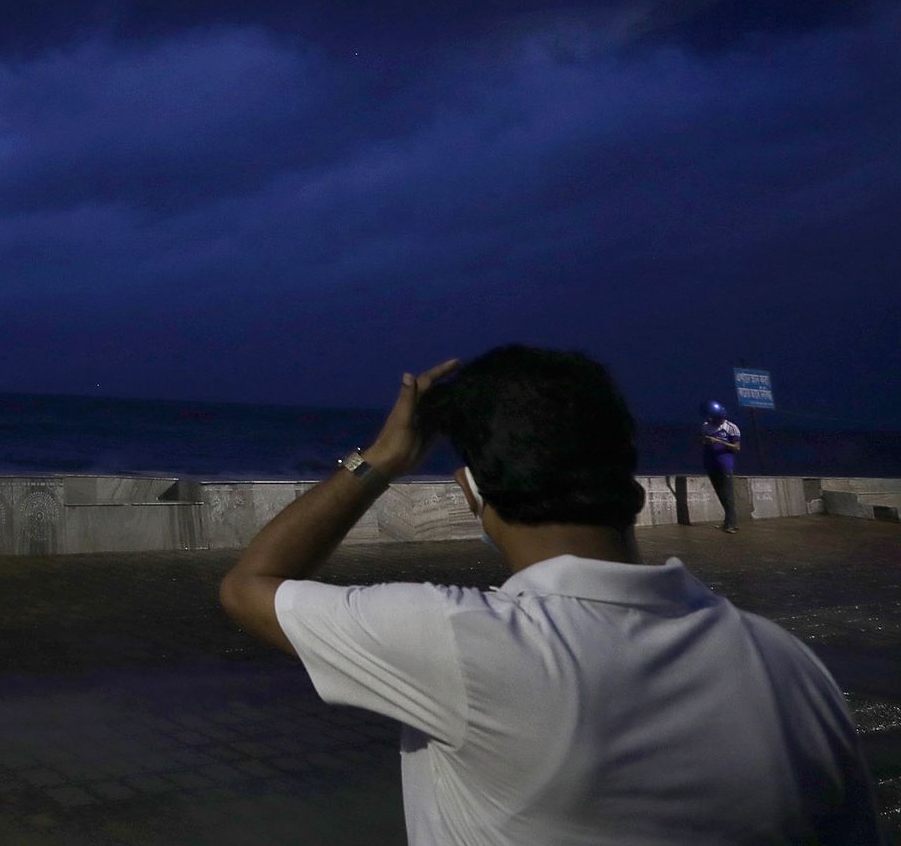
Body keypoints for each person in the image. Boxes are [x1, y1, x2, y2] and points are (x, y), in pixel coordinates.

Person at [219, 346, 877, 845]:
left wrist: (381, 460)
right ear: (633, 484)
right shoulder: (791, 668)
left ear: (474, 492)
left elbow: (250, 586)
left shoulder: (464, 642)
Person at [702, 399, 745, 533]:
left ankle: (732, 525)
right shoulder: (706, 426)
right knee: (720, 493)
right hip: (710, 463)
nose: (719, 421)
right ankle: (728, 522)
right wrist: (706, 441)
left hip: (725, 463)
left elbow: (737, 447)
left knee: (728, 494)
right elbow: (702, 441)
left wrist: (719, 441)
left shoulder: (731, 427)